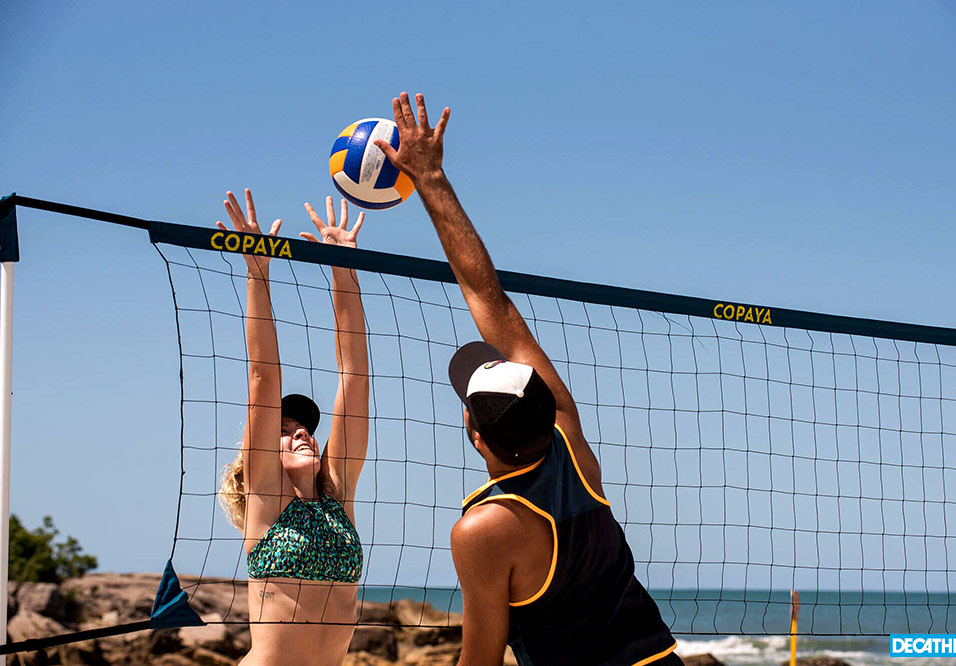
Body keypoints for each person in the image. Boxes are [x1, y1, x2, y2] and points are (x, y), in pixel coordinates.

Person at [374, 93, 681, 666]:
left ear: (476, 433)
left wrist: (429, 178)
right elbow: (490, 301)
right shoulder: (573, 451)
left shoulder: (483, 531)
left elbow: (481, 661)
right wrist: (433, 177)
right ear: (547, 408)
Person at [216, 190, 369, 666]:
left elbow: (355, 377)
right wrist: (257, 271)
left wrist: (343, 270)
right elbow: (263, 373)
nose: (301, 432)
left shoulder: (336, 498)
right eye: (285, 430)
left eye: (304, 427)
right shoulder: (267, 503)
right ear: (256, 456)